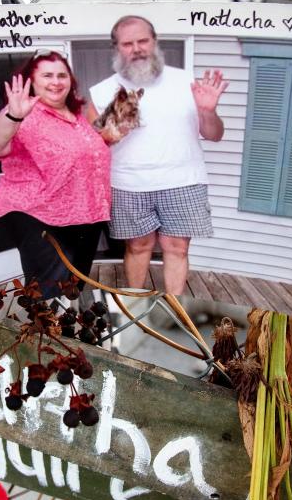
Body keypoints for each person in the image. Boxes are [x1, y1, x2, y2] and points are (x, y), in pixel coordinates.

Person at [87, 15, 228, 296]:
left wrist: (207, 111)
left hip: (184, 181)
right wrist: (116, 126)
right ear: (117, 48)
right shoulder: (102, 91)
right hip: (128, 184)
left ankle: (174, 308)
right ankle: (135, 304)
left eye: (143, 40)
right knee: (138, 247)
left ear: (155, 42)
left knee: (177, 248)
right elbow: (93, 147)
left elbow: (214, 134)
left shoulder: (186, 82)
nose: (137, 48)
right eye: (128, 43)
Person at [0, 50, 110, 297]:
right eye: (47, 75)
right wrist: (13, 116)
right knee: (47, 290)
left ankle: (69, 328)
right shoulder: (21, 113)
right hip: (38, 214)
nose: (56, 81)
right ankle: (43, 333)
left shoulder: (78, 115)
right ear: (32, 80)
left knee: (74, 284)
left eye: (62, 75)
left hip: (86, 214)